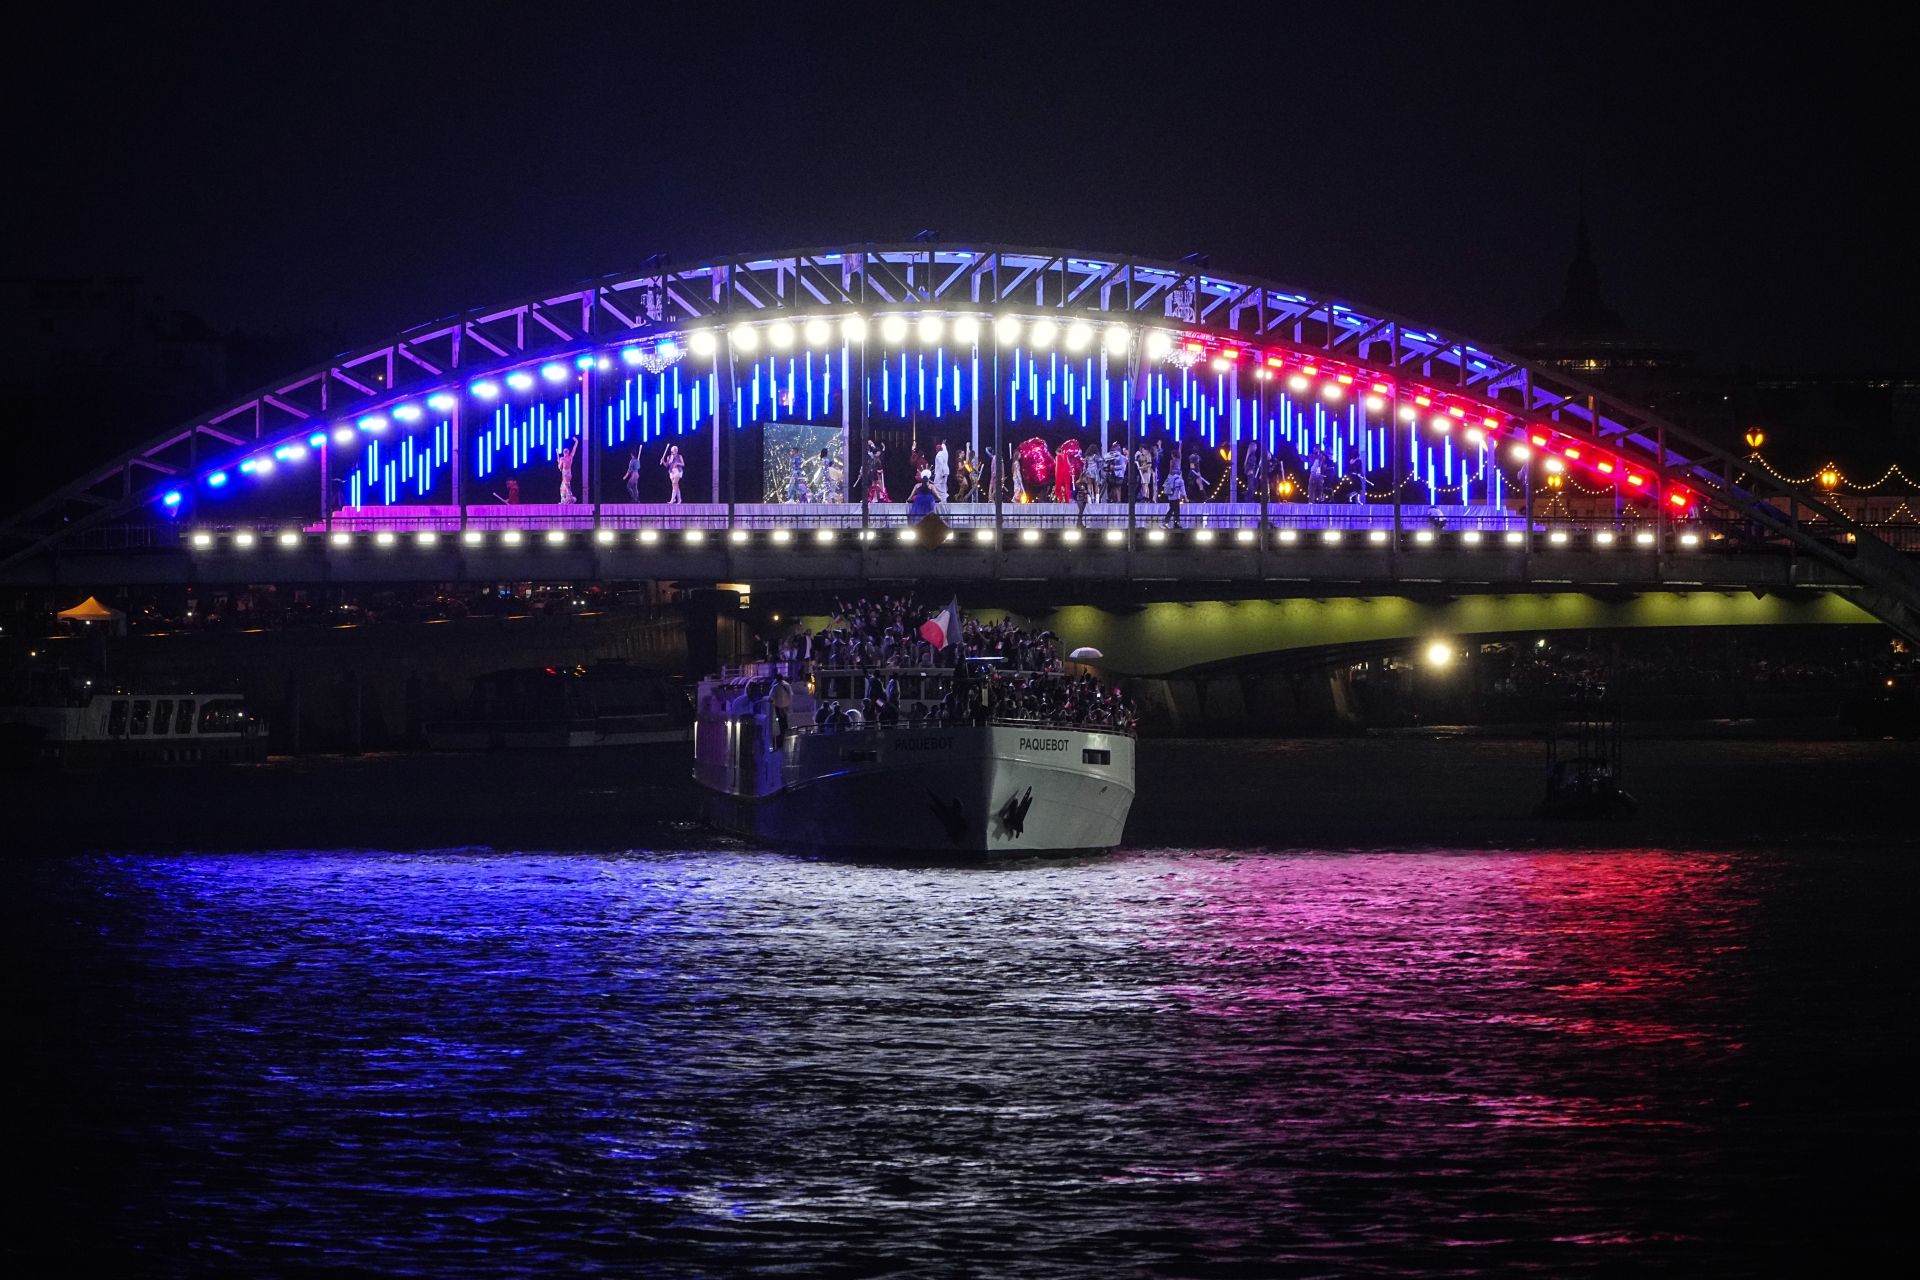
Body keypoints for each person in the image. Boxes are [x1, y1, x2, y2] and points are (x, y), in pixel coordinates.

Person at [1161, 457, 1187, 527]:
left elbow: (1165, 486)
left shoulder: (1169, 477)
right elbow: (1183, 490)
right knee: (1175, 511)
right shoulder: (1180, 480)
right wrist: (1185, 497)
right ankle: (1167, 522)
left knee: (1174, 510)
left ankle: (1175, 524)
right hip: (1176, 497)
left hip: (1170, 497)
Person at [770, 671, 792, 749]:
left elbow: (771, 696)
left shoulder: (775, 686)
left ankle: (782, 732)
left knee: (780, 720)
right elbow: (791, 694)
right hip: (786, 706)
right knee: (785, 719)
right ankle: (785, 731)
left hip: (778, 706)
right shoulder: (787, 685)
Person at [558, 438, 578, 504]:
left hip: (566, 473)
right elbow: (574, 449)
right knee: (562, 487)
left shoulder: (563, 459)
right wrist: (576, 442)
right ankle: (564, 500)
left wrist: (558, 458)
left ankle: (570, 499)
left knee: (567, 486)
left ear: (565, 453)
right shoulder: (570, 457)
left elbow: (559, 467)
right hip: (568, 473)